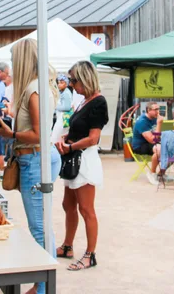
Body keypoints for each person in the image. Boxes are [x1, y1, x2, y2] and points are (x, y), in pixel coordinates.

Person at [0, 38, 61, 294]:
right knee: (43, 224)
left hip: (34, 158)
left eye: (12, 60)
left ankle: (43, 287)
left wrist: (12, 135)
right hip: (38, 158)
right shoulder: (41, 86)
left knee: (39, 227)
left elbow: (39, 134)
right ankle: (42, 284)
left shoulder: (33, 89)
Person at [55, 60, 108, 271]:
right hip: (74, 156)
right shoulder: (84, 101)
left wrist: (71, 146)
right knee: (68, 205)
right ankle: (68, 246)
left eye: (73, 80)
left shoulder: (98, 102)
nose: (71, 84)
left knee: (86, 209)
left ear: (84, 79)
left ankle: (90, 254)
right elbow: (80, 130)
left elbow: (93, 138)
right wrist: (66, 138)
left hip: (84, 159)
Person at [132, 102, 163, 186]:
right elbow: (153, 140)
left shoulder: (153, 118)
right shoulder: (142, 121)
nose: (158, 111)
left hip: (150, 143)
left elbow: (157, 136)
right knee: (158, 149)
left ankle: (161, 173)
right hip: (140, 146)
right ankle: (152, 173)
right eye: (155, 109)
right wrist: (159, 124)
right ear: (149, 110)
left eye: (158, 109)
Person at [51, 74, 73, 143]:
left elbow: (66, 107)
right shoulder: (62, 92)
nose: (59, 85)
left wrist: (55, 107)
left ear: (66, 84)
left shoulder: (66, 93)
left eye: (61, 83)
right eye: (58, 82)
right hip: (60, 118)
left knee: (55, 137)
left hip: (63, 119)